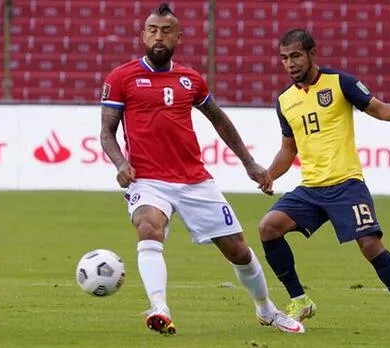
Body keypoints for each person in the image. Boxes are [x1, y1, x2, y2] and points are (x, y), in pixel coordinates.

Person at [99, 3, 304, 336]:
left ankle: (266, 309)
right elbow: (107, 130)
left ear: (179, 36)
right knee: (148, 228)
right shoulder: (122, 78)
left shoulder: (190, 79)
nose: (158, 36)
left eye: (166, 31)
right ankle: (159, 308)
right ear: (143, 35)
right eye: (152, 30)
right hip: (147, 178)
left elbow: (219, 119)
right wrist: (121, 163)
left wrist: (249, 162)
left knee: (238, 250)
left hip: (194, 180)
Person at [258, 28, 390, 333]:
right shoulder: (285, 100)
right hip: (310, 189)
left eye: (296, 56)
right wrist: (269, 176)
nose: (289, 64)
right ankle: (300, 300)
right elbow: (289, 149)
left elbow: (379, 109)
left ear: (313, 53)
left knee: (369, 244)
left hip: (346, 185)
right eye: (284, 58)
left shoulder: (341, 82)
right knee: (268, 227)